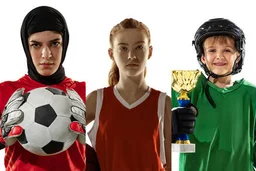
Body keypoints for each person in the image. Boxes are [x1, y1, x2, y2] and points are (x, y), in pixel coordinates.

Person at [0, 6, 86, 170]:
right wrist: (1, 135)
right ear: (26, 46)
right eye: (36, 45)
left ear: (64, 44)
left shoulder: (83, 92)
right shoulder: (7, 92)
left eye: (54, 43)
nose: (46, 55)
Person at [171, 18, 256, 171]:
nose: (219, 56)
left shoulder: (251, 93)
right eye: (212, 50)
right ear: (203, 57)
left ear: (237, 57)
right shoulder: (190, 86)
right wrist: (170, 127)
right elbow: (162, 132)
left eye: (227, 50)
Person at [86, 18, 171, 171]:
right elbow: (64, 138)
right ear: (111, 53)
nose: (131, 55)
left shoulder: (164, 103)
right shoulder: (96, 100)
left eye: (139, 47)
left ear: (150, 52)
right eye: (123, 48)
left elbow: (170, 165)